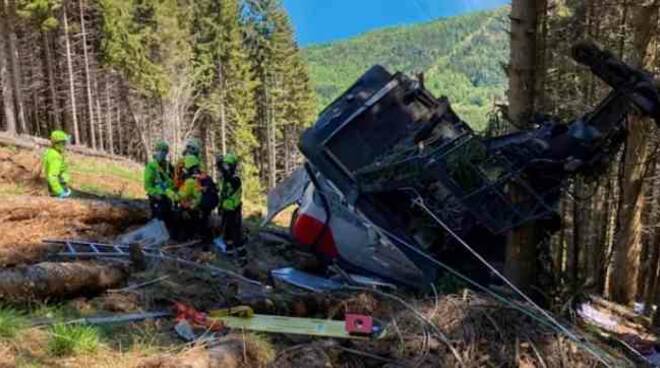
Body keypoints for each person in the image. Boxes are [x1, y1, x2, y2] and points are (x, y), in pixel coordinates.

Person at [174, 154, 218, 241]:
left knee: (179, 213)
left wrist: (169, 192)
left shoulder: (191, 180)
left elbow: (179, 196)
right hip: (205, 206)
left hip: (198, 207)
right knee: (202, 218)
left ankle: (186, 235)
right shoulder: (203, 176)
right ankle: (203, 234)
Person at [217, 153, 246, 263]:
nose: (226, 168)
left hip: (234, 210)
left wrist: (221, 167)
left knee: (236, 233)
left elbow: (230, 180)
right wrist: (220, 207)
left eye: (228, 166)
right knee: (227, 232)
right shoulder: (224, 180)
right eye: (225, 165)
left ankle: (242, 257)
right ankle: (229, 254)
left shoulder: (235, 179)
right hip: (226, 210)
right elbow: (223, 194)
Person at [144, 141, 175, 224]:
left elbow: (174, 181)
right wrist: (155, 194)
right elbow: (147, 186)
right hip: (157, 198)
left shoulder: (169, 166)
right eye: (160, 150)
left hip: (168, 198)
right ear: (156, 151)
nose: (162, 153)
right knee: (158, 219)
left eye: (164, 151)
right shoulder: (151, 166)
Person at [42, 130, 72, 198]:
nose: (65, 145)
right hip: (57, 189)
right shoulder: (55, 157)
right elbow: (52, 176)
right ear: (58, 144)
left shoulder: (51, 152)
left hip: (59, 185)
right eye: (63, 143)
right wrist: (60, 191)